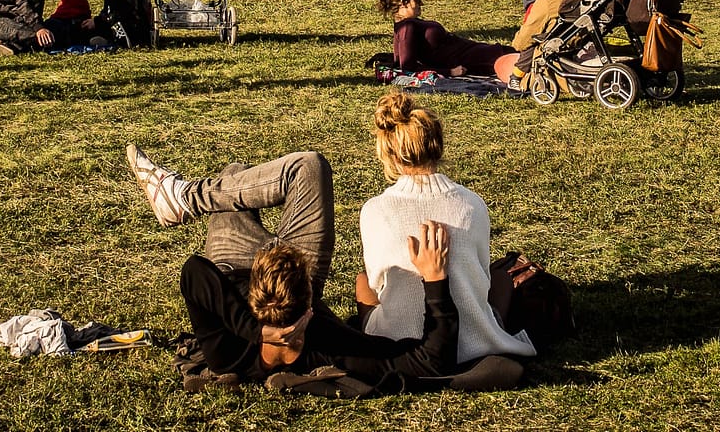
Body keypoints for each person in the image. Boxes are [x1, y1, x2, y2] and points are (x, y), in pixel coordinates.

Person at [123, 146, 473, 391]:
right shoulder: (330, 345)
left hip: (230, 263)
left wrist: (255, 331)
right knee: (302, 167)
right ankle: (184, 198)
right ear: (309, 308)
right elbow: (431, 362)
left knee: (234, 175)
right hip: (289, 263)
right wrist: (436, 280)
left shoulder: (225, 354)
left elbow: (195, 272)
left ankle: (184, 199)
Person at [357, 92, 537, 366]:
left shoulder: (374, 210)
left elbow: (376, 282)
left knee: (362, 282)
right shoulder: (472, 204)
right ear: (438, 146)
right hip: (472, 342)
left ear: (390, 153)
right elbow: (481, 276)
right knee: (498, 279)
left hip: (398, 341)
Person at [380, 0, 512, 77]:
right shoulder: (406, 28)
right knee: (517, 61)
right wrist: (450, 72)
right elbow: (408, 67)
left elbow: (400, 60)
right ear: (403, 3)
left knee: (516, 56)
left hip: (476, 53)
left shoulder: (403, 26)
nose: (421, 3)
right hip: (475, 59)